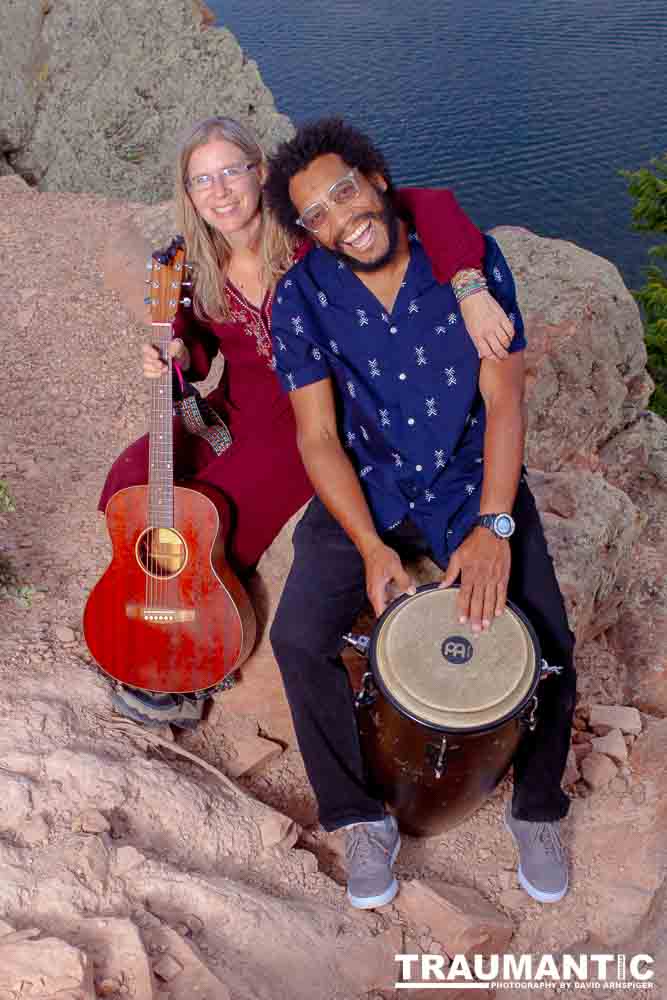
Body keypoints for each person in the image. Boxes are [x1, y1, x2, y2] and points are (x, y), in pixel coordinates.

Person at [99, 115, 516, 727]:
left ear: (260, 173)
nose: (220, 191)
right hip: (236, 407)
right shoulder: (190, 261)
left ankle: (187, 656)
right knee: (132, 479)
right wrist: (177, 355)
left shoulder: (307, 231)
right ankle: (137, 601)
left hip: (313, 416)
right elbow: (200, 351)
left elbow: (428, 205)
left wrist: (470, 283)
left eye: (232, 172)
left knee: (217, 512)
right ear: (188, 194)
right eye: (201, 180)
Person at [264, 118, 576, 909]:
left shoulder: (465, 263)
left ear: (374, 178)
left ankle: (537, 809)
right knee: (298, 638)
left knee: (550, 638)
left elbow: (504, 399)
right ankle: (356, 819)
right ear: (306, 231)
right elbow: (317, 435)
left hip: (468, 483)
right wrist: (369, 546)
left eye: (344, 191)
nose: (340, 218)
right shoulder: (298, 298)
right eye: (316, 214)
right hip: (366, 487)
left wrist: (495, 525)